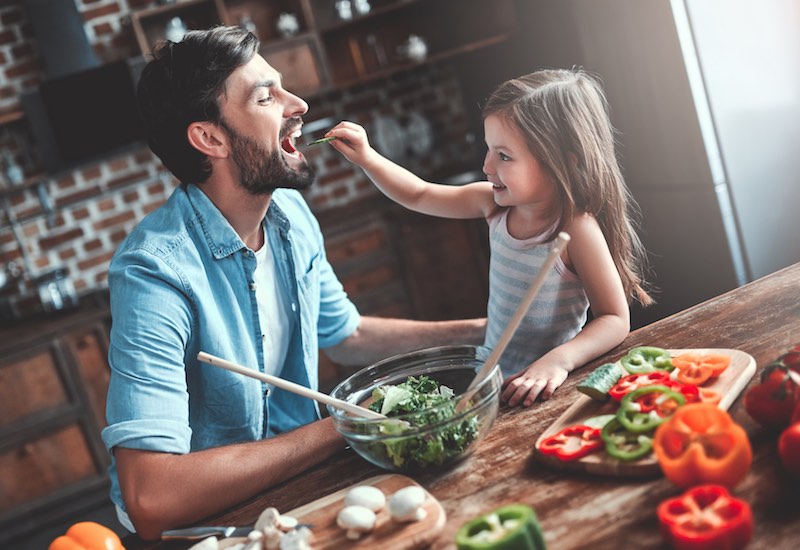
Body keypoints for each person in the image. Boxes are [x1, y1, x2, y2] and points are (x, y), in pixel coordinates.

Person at [102, 26, 485, 540]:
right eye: (266, 96)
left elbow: (345, 334)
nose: (298, 103)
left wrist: (491, 331)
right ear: (209, 138)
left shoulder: (288, 214)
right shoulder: (154, 273)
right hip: (203, 535)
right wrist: (345, 424)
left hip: (294, 494)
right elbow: (152, 497)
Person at [326, 68, 653, 409]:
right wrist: (367, 157)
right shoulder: (492, 205)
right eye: (488, 150)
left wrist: (558, 361)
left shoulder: (575, 228)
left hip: (545, 389)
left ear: (563, 165)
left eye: (504, 155)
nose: (487, 165)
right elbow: (419, 195)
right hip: (491, 380)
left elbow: (614, 319)